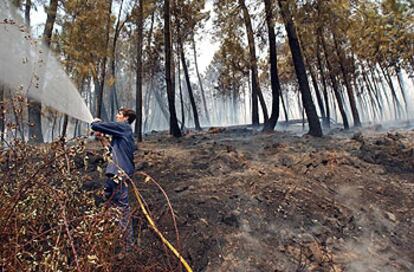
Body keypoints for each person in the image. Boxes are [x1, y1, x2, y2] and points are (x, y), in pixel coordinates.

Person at [91, 108, 136, 246]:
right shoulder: (120, 136)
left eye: (119, 114)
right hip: (113, 175)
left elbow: (97, 125)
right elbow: (111, 151)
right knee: (110, 204)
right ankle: (111, 239)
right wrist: (101, 138)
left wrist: (96, 123)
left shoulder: (125, 128)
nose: (117, 115)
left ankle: (128, 245)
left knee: (122, 208)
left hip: (119, 175)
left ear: (126, 118)